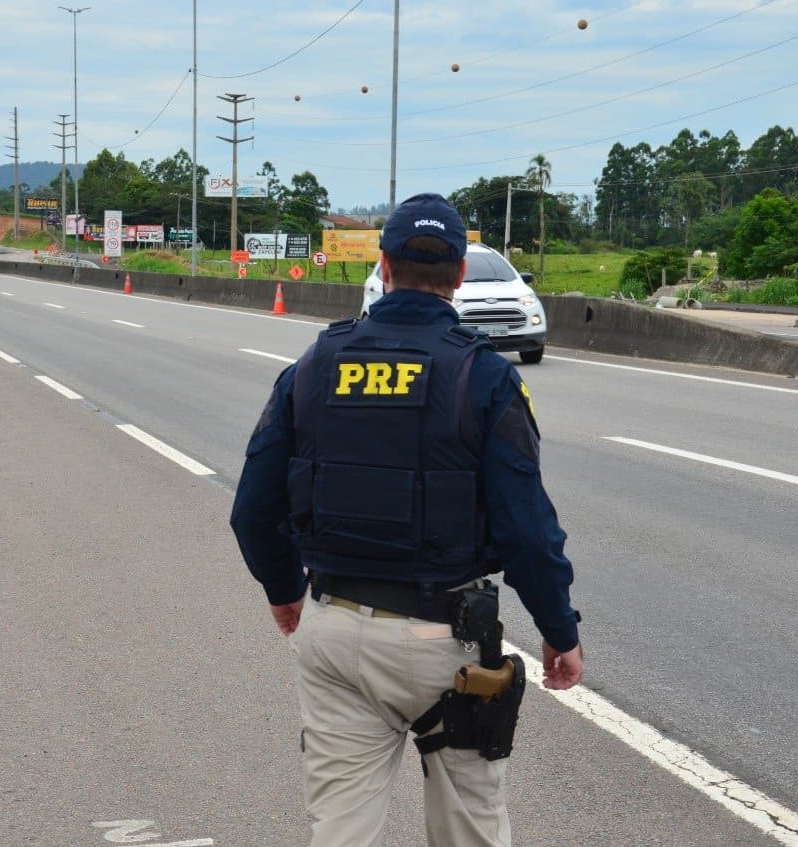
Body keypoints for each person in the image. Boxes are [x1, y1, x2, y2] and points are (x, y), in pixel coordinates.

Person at [230, 193, 582, 847]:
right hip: (445, 644)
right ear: (457, 276)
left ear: (384, 267)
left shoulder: (312, 367)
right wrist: (560, 629)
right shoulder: (485, 378)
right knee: (470, 832)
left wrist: (285, 594)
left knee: (340, 833)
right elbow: (527, 531)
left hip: (334, 631)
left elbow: (253, 509)